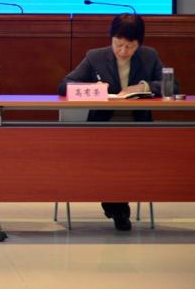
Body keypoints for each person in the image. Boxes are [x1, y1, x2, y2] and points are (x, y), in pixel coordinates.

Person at [58, 13, 178, 231]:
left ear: (139, 43)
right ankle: (119, 209)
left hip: (138, 129)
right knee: (111, 156)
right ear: (111, 39)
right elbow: (64, 85)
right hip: (101, 128)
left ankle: (116, 207)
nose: (123, 51)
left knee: (127, 158)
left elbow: (173, 86)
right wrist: (95, 89)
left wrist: (144, 86)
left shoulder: (149, 56)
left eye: (130, 46)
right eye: (118, 45)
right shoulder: (95, 57)